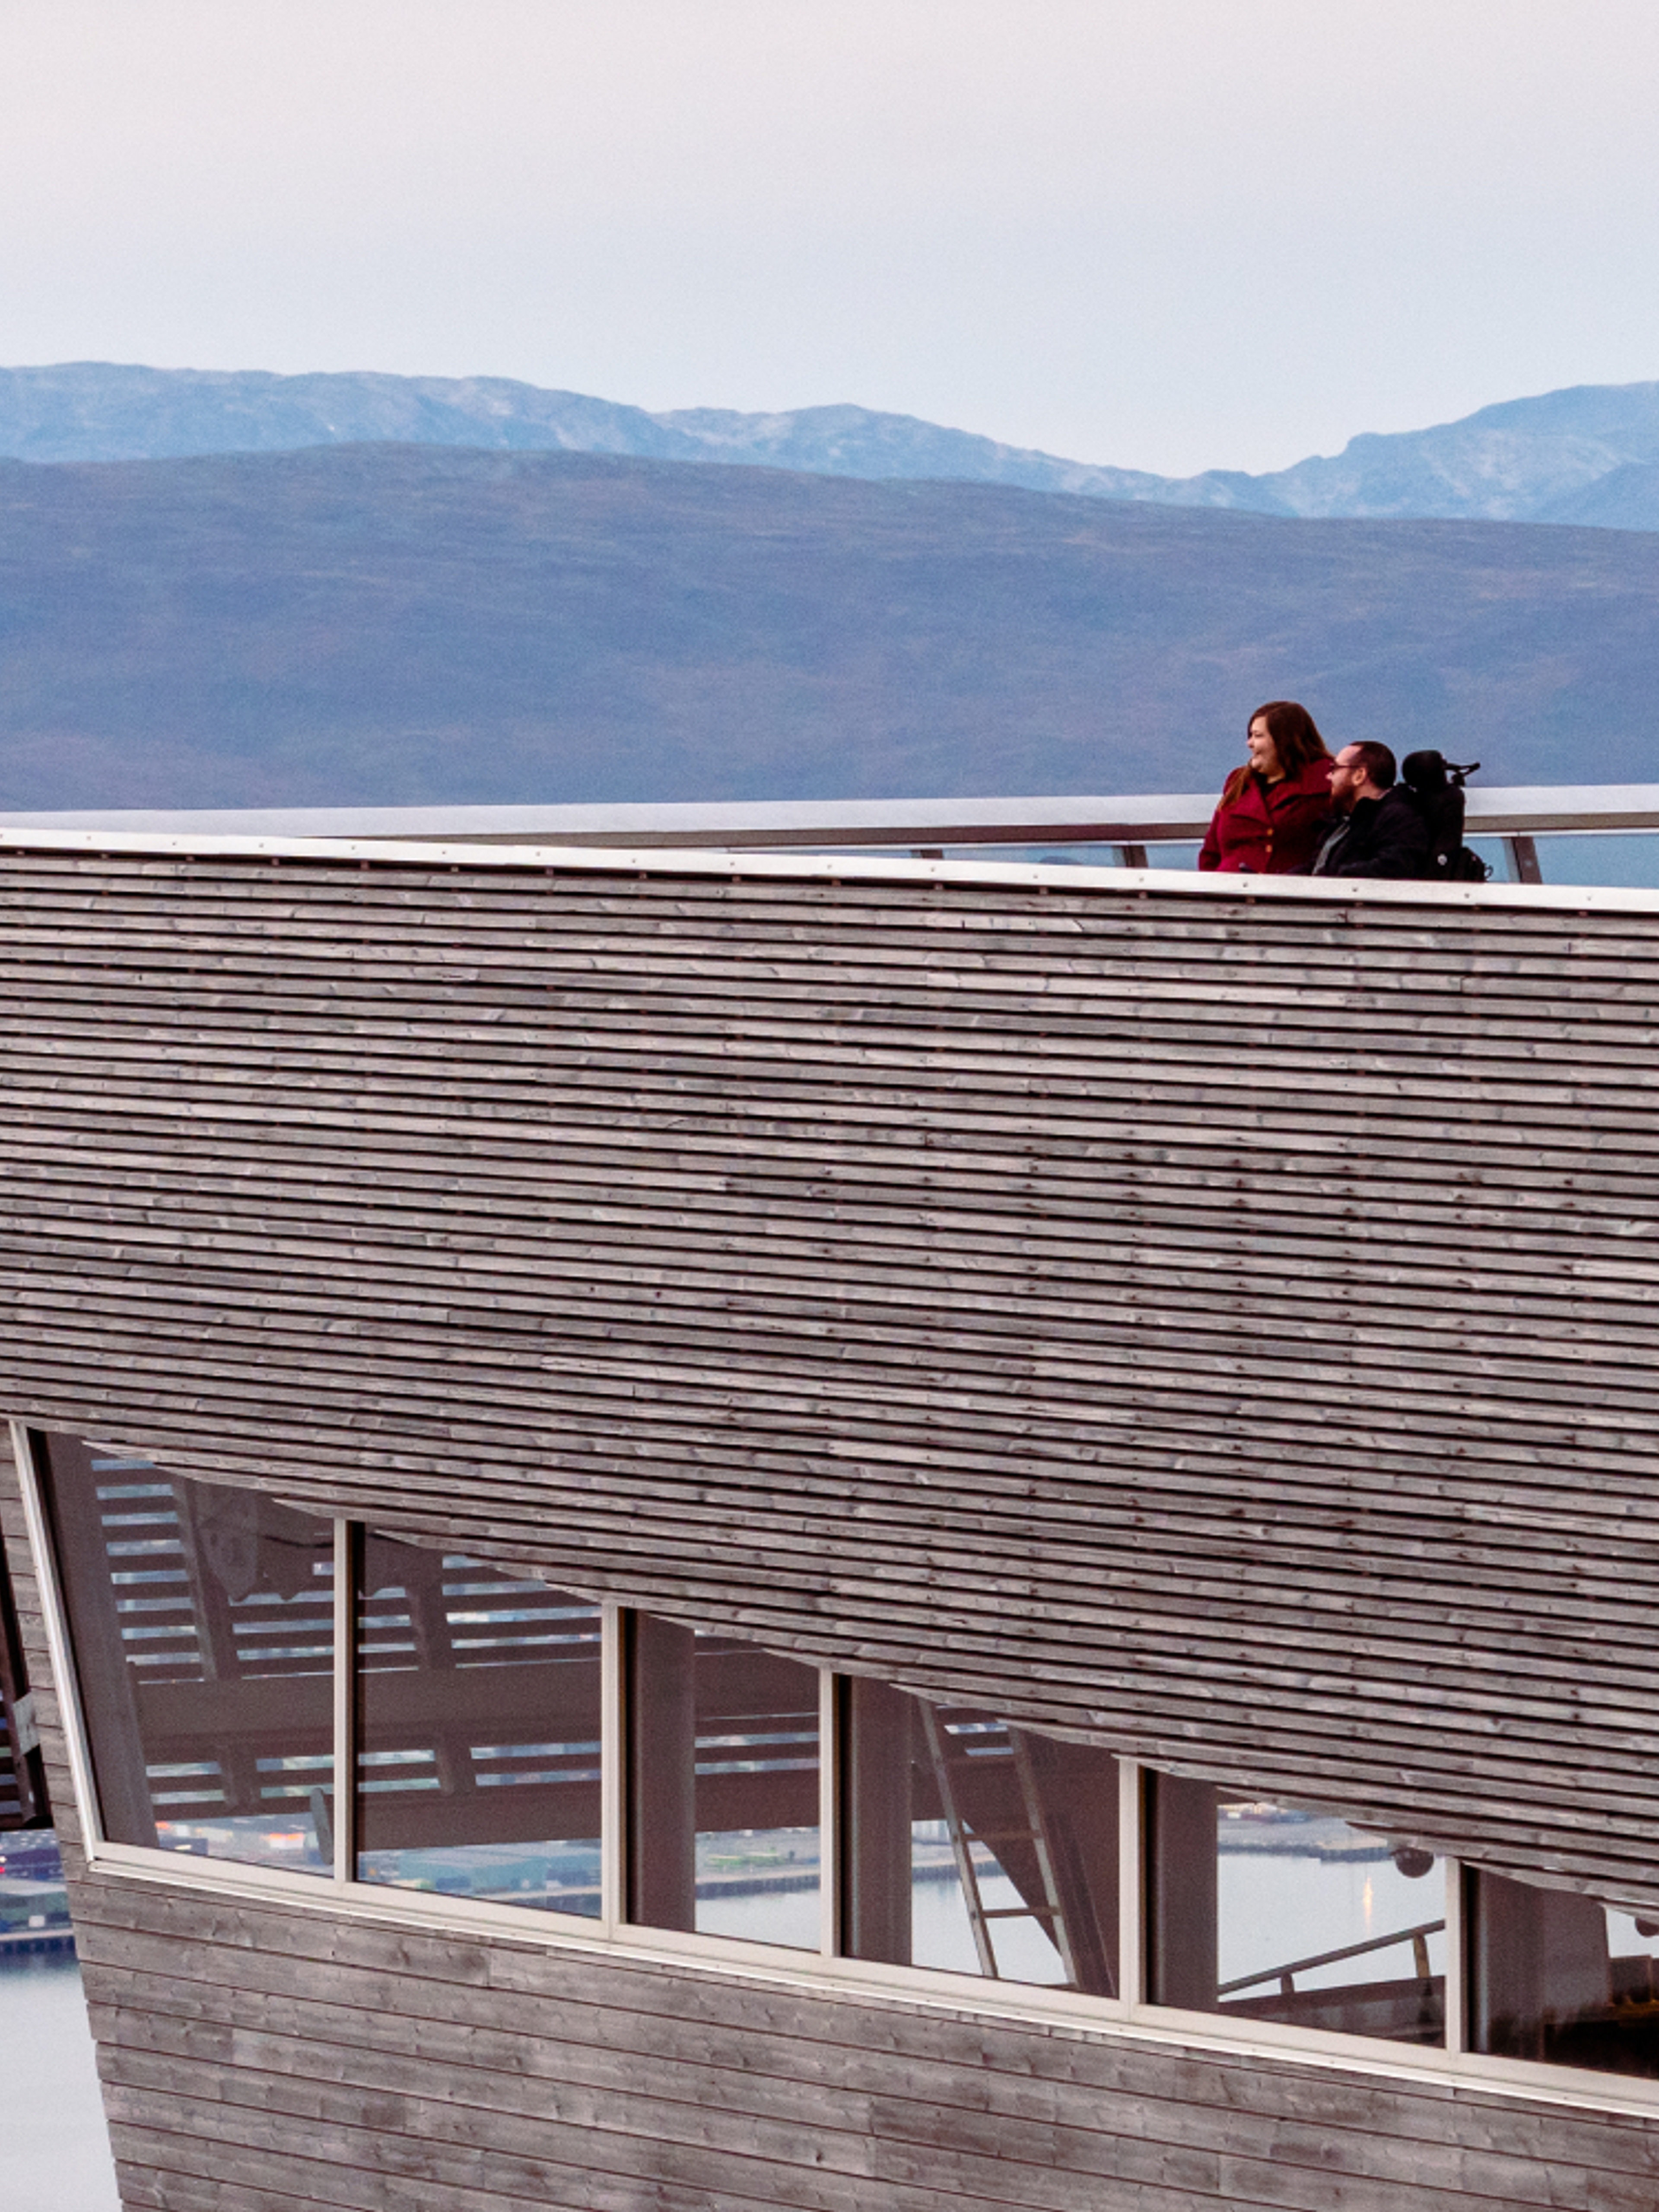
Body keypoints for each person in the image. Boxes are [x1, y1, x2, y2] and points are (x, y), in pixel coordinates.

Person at [1198, 702, 1335, 874]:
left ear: (1283, 740)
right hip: (1227, 893)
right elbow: (1212, 850)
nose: (1250, 743)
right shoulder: (1238, 782)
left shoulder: (1326, 781)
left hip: (1290, 895)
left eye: (1258, 736)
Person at [1308, 741, 1434, 879]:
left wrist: (1333, 880)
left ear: (1359, 776)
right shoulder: (1343, 823)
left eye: (1335, 769)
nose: (1329, 776)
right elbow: (1312, 868)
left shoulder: (1400, 821)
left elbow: (1392, 869)